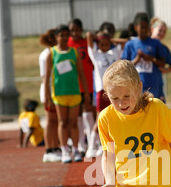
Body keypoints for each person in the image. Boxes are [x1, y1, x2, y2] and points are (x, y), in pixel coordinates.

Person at [44, 24, 92, 164]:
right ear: (56, 37)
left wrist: (87, 93)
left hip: (75, 92)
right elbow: (47, 76)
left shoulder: (74, 52)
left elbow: (81, 73)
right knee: (63, 122)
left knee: (73, 122)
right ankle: (65, 150)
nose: (64, 38)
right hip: (59, 94)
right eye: (61, 35)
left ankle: (75, 149)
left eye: (66, 35)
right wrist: (47, 95)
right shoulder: (52, 53)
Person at [85, 30, 122, 158]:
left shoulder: (114, 53)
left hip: (114, 91)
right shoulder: (95, 54)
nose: (105, 46)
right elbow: (88, 35)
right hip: (101, 91)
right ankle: (91, 146)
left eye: (107, 44)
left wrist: (111, 40)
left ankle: (107, 145)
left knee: (114, 117)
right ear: (98, 44)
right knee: (100, 119)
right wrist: (98, 37)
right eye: (102, 44)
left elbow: (126, 42)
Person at [121, 12, 167, 99]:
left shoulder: (155, 43)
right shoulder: (130, 44)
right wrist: (137, 59)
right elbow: (123, 67)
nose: (144, 30)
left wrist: (151, 59)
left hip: (153, 85)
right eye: (142, 27)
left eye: (146, 27)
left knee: (152, 110)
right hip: (135, 86)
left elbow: (162, 63)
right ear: (135, 28)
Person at [68, 18, 95, 156]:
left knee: (88, 113)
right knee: (76, 116)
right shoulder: (68, 44)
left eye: (77, 29)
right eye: (72, 30)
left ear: (81, 30)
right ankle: (80, 145)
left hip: (88, 83)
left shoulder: (86, 43)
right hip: (74, 85)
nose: (75, 32)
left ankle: (92, 143)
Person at [39, 29, 61, 162]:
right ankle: (48, 149)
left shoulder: (55, 52)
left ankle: (55, 146)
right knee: (50, 120)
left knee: (56, 121)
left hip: (57, 90)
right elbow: (44, 76)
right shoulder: (46, 54)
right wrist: (47, 95)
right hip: (49, 91)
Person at [150, 17, 171, 102]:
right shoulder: (143, 43)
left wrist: (164, 70)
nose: (162, 33)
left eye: (164, 32)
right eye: (160, 30)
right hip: (143, 83)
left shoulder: (163, 48)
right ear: (152, 29)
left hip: (157, 84)